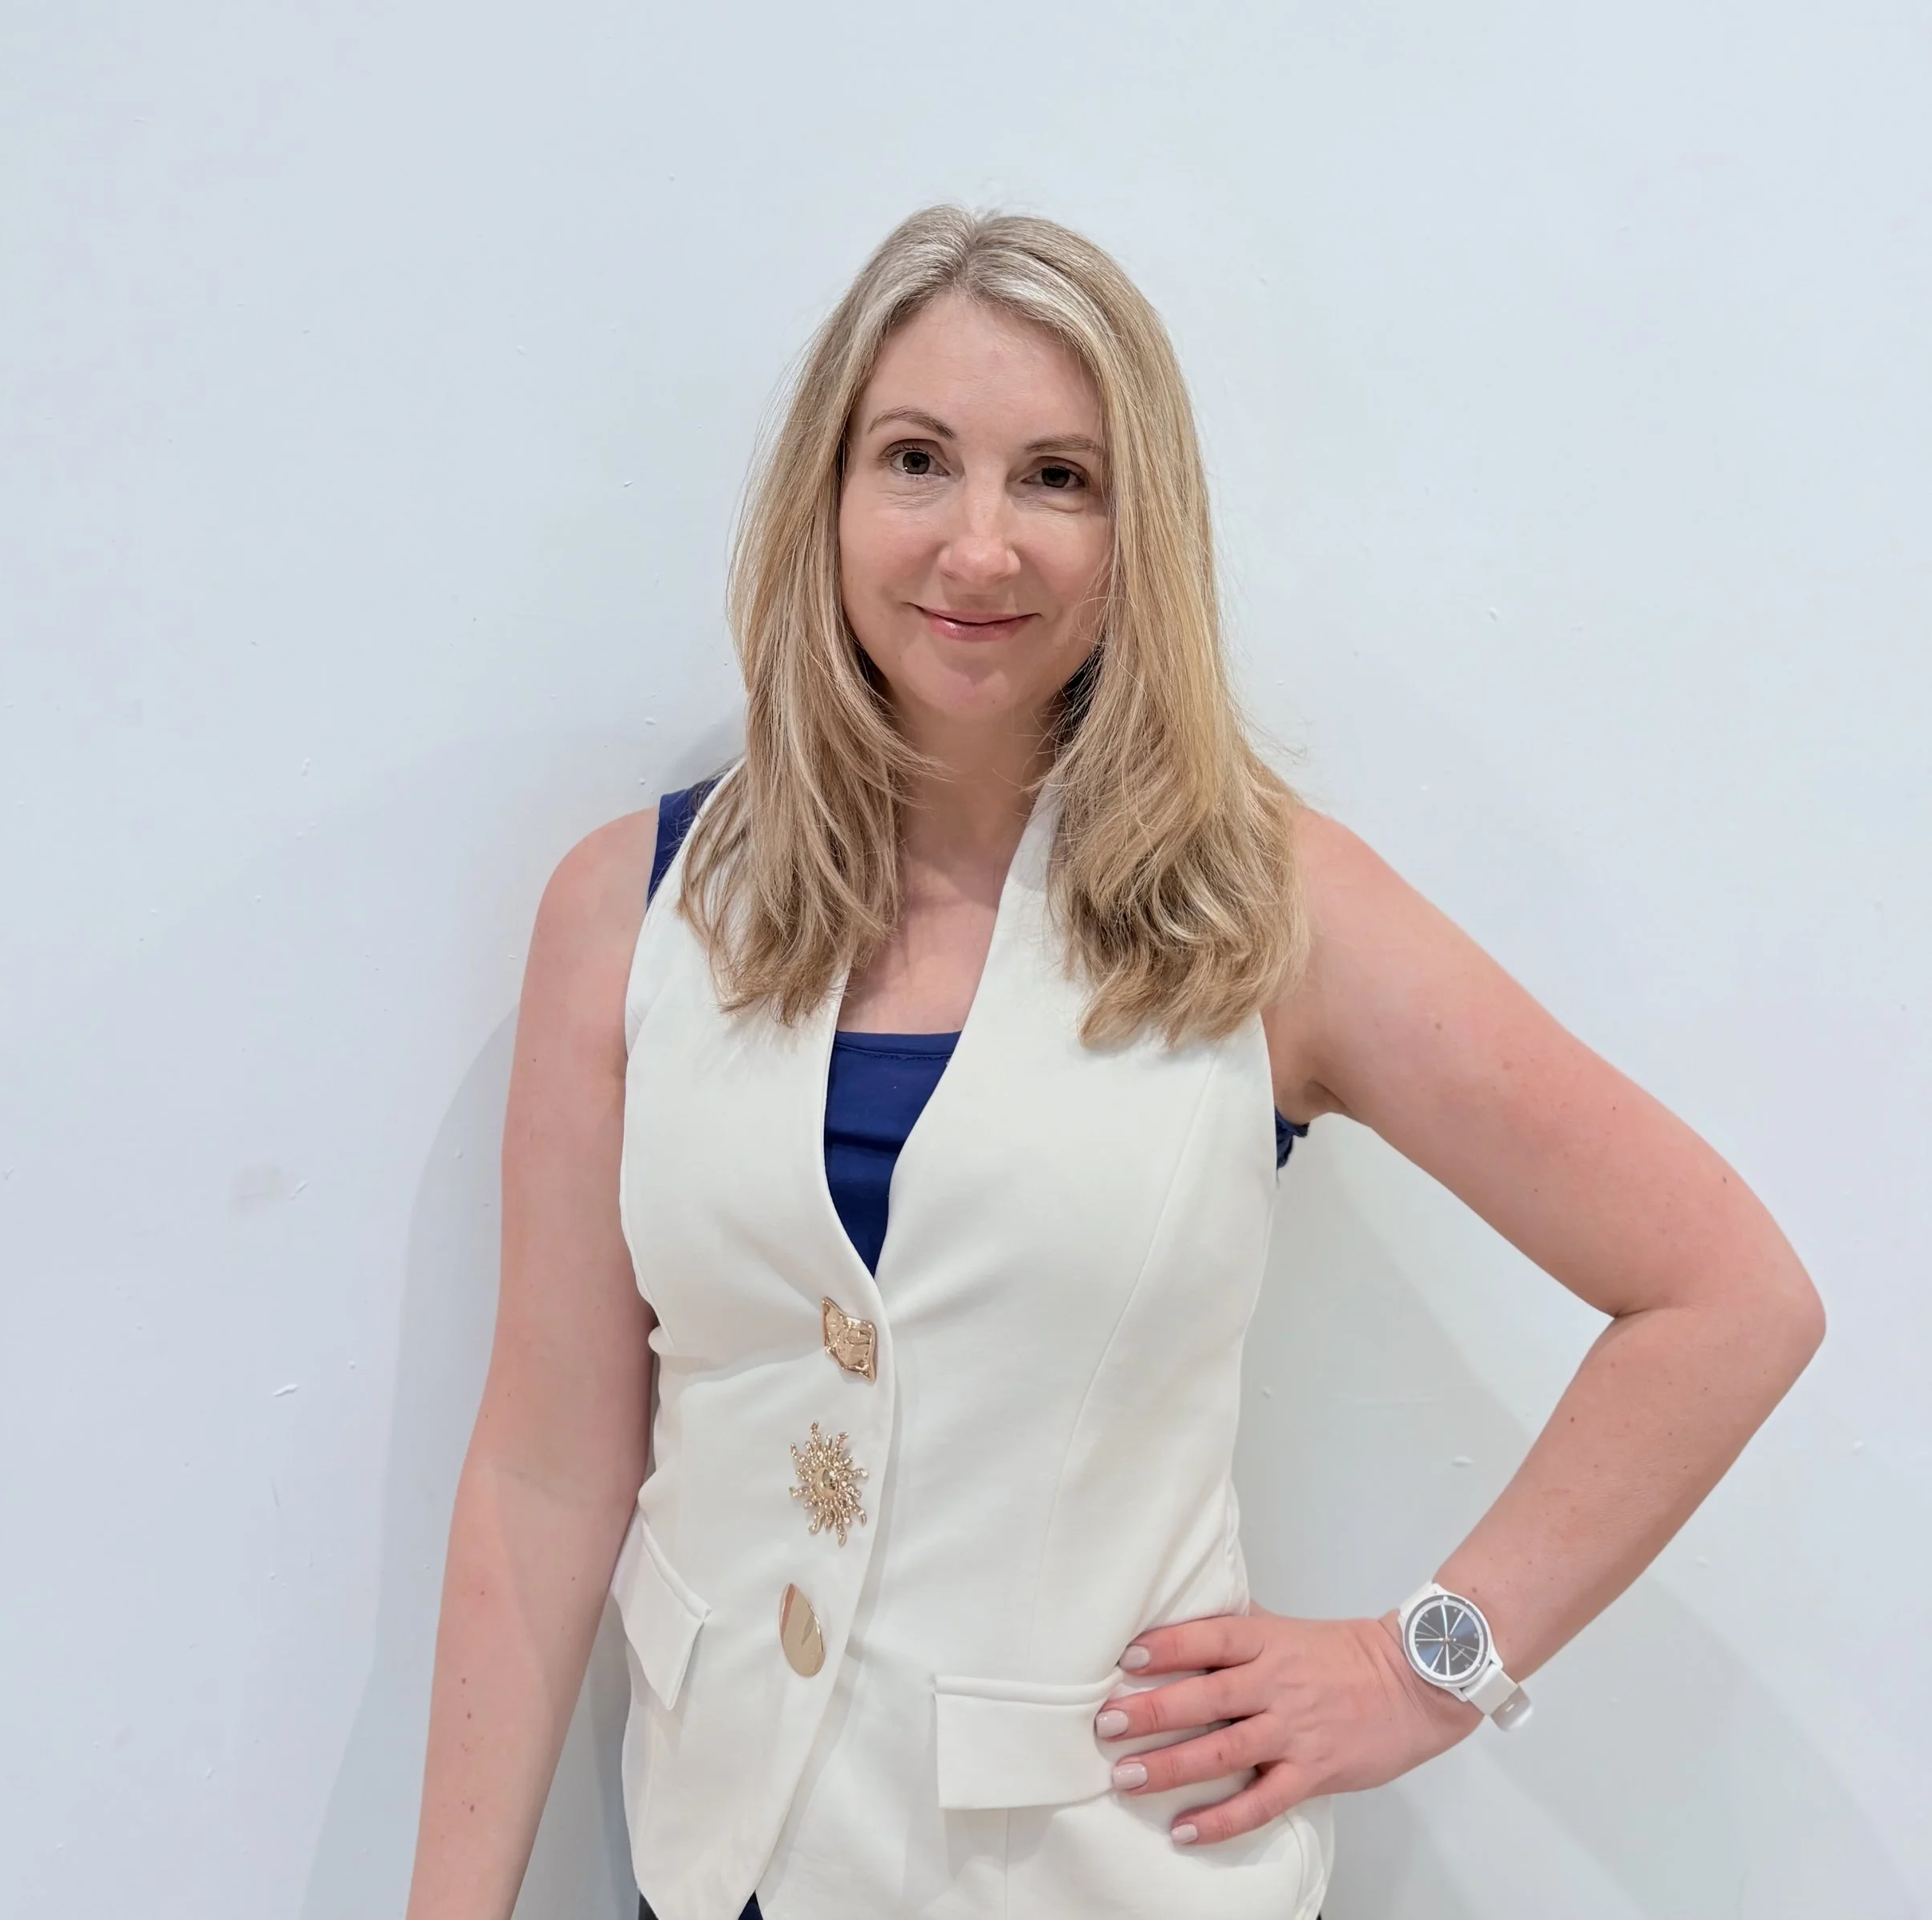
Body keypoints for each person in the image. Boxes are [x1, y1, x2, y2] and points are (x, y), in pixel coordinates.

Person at [401, 207, 1824, 1920]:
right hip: (720, 1877)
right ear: (825, 494)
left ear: (1137, 528)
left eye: (1057, 479)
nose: (978, 545)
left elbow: (1723, 1294)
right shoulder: (631, 912)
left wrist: (1421, 1666)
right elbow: (545, 1475)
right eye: (916, 460)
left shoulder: (1273, 913)